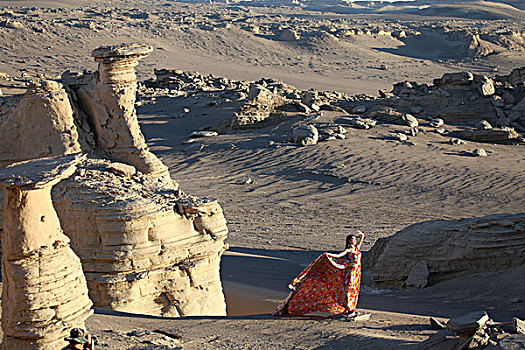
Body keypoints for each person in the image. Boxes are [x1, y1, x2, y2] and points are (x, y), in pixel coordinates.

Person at [274, 230, 365, 316]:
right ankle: (348, 308)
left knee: (354, 290)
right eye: (352, 239)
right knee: (349, 289)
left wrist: (360, 234)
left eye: (354, 239)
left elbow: (362, 237)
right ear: (349, 241)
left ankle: (351, 307)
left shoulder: (356, 248)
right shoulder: (348, 250)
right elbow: (338, 255)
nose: (354, 240)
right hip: (350, 271)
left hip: (357, 272)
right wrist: (328, 254)